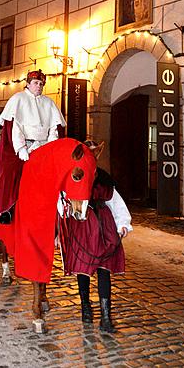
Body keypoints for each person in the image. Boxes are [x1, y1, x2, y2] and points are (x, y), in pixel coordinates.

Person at [57, 140, 132, 333]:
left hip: (104, 228)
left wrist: (123, 223)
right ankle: (85, 308)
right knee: (83, 269)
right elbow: (62, 203)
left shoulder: (104, 179)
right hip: (82, 226)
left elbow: (116, 201)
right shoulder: (74, 176)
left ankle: (106, 317)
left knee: (104, 270)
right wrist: (59, 231)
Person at [0, 68, 66, 224]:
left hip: (44, 146)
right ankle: (6, 209)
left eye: (41, 84)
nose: (39, 86)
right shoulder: (18, 99)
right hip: (22, 147)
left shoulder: (49, 102)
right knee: (10, 172)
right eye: (36, 83)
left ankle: (63, 208)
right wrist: (21, 148)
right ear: (28, 84)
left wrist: (50, 146)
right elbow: (14, 127)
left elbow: (54, 128)